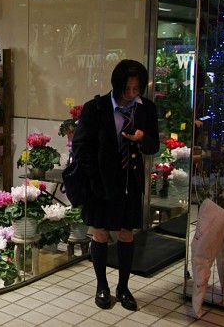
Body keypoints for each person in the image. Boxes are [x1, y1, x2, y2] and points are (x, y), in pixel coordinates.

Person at [72, 59, 159, 311]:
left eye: (136, 89)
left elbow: (154, 145)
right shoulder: (96, 108)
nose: (132, 94)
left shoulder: (145, 109)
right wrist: (93, 176)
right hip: (100, 181)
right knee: (100, 233)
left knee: (126, 233)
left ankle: (123, 287)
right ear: (117, 85)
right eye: (127, 89)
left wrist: (143, 139)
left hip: (130, 181)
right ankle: (102, 286)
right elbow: (81, 146)